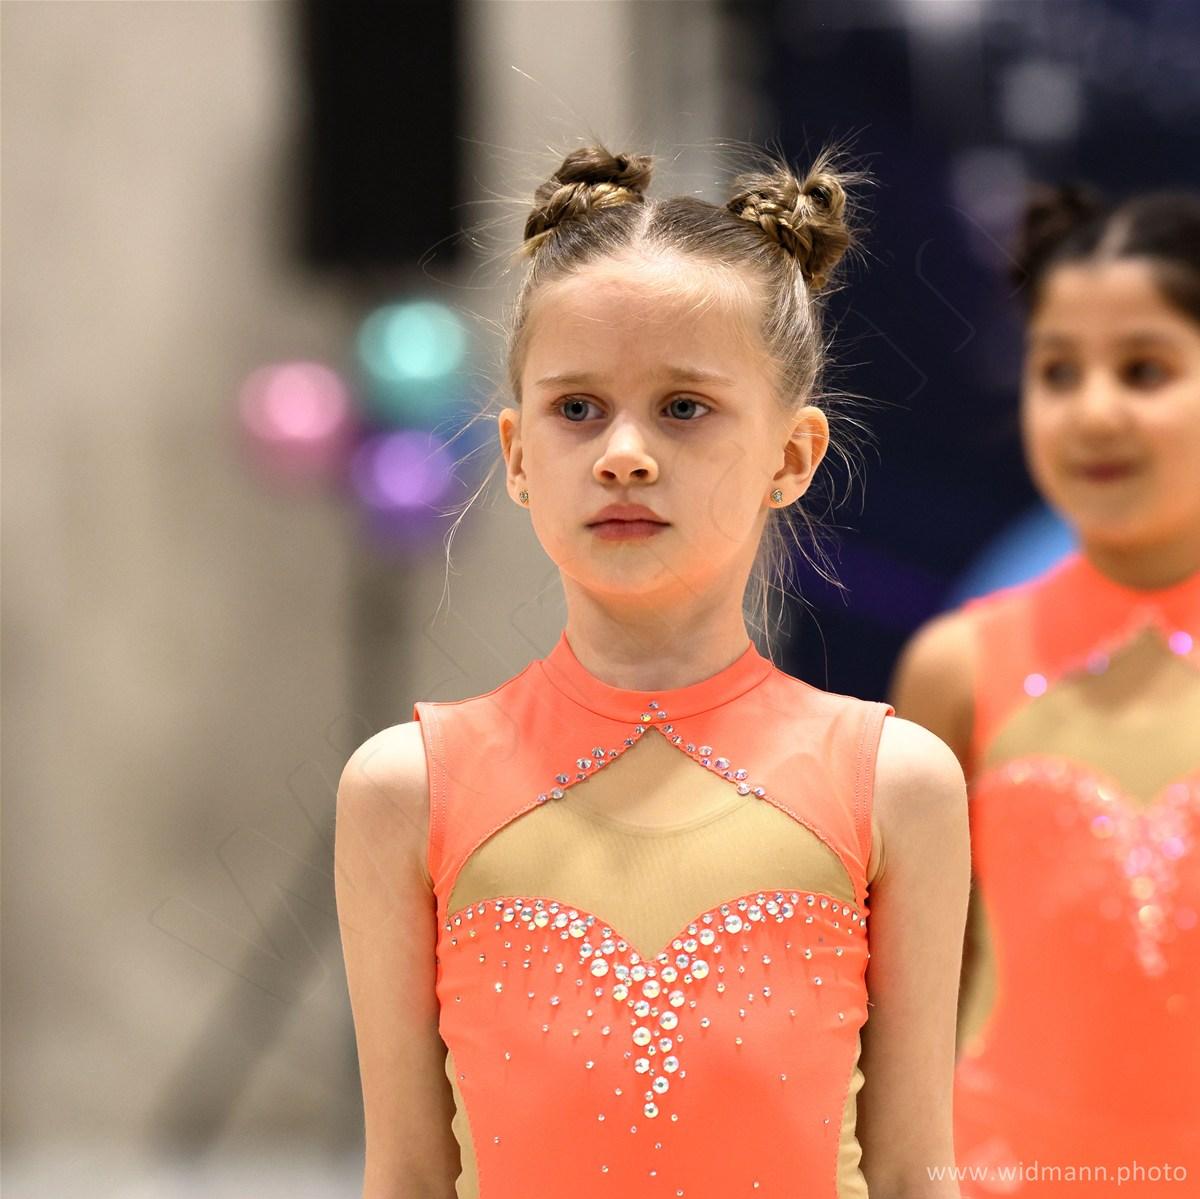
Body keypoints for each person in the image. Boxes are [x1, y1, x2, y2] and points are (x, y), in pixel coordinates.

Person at [336, 142, 969, 1199]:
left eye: (683, 406)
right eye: (577, 408)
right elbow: (405, 1174)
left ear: (792, 455)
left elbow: (915, 1171)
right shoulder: (408, 789)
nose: (623, 453)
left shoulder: (895, 784)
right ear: (518, 455)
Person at [891, 184, 1200, 1195]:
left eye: (1144, 369)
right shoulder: (956, 669)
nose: (1094, 410)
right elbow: (907, 1012)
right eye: (1058, 370)